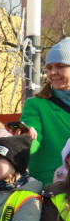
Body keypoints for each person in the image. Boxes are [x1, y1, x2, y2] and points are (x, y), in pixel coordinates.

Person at [23, 37, 70, 186]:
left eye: (60, 66)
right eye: (49, 67)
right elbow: (34, 136)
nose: (52, 73)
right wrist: (27, 139)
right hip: (51, 186)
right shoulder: (36, 105)